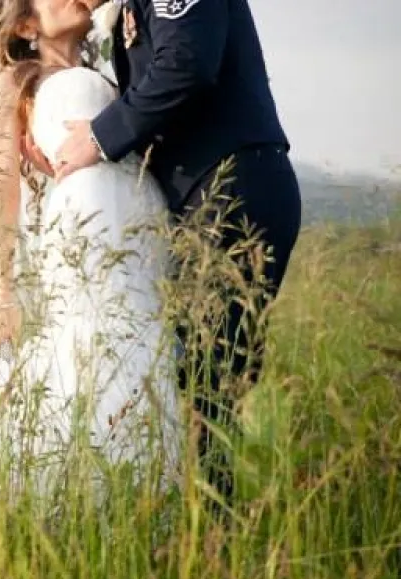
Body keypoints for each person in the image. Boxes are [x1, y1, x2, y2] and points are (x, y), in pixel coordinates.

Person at [0, 0, 185, 504]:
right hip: (62, 261)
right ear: (27, 24)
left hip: (129, 263)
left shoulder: (116, 75)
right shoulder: (12, 86)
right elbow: (1, 200)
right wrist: (2, 295)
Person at [35, 0, 303, 509]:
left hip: (231, 192)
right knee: (197, 392)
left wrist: (98, 137)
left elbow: (188, 63)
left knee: (206, 396)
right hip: (203, 199)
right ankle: (199, 539)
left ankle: (215, 552)